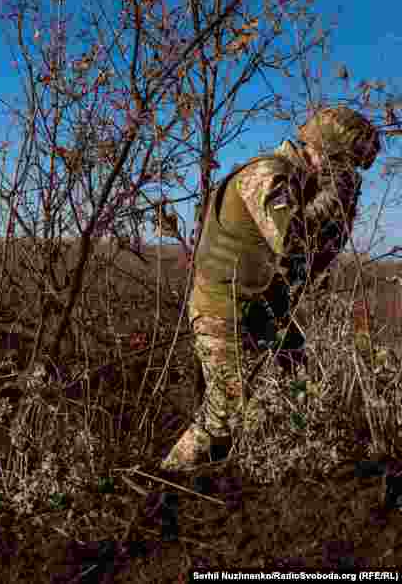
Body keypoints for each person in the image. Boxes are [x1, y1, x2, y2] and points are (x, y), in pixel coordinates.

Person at [161, 106, 382, 472]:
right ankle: (168, 479)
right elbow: (295, 242)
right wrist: (333, 199)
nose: (348, 176)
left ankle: (269, 466)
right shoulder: (268, 175)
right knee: (225, 411)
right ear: (327, 154)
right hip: (224, 309)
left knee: (301, 383)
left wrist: (342, 208)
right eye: (346, 166)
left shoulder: (303, 184)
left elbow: (313, 262)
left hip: (262, 308)